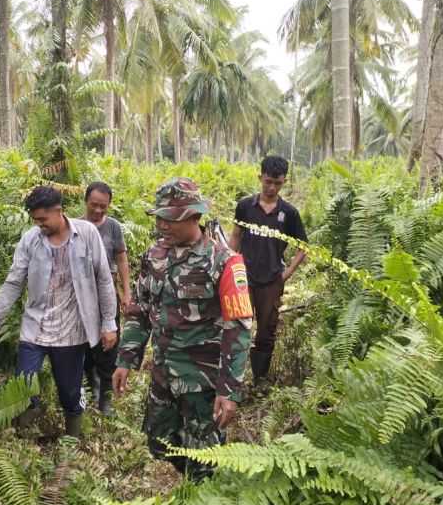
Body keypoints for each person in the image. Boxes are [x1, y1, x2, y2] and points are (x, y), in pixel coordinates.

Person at [112, 178, 253, 480]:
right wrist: (126, 358)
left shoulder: (224, 261)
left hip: (201, 382)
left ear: (194, 216)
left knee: (206, 458)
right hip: (163, 374)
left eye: (171, 218)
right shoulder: (154, 256)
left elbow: (238, 329)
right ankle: (189, 481)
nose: (163, 225)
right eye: (159, 216)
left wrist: (229, 391)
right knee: (159, 442)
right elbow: (139, 309)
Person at [0, 185, 117, 437]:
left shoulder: (87, 234)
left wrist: (109, 324)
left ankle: (71, 442)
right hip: (35, 329)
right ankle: (25, 442)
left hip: (71, 332)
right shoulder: (30, 240)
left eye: (42, 219)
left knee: (70, 392)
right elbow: (13, 282)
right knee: (24, 386)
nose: (39, 224)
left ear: (59, 211)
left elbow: (104, 280)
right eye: (35, 220)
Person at [229, 155, 307, 385]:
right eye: (268, 181)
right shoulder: (245, 206)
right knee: (238, 329)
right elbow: (235, 235)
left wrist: (287, 273)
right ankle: (234, 379)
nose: (272, 187)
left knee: (266, 332)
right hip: (243, 279)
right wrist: (229, 265)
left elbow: (303, 247)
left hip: (272, 281)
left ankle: (258, 381)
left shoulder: (289, 213)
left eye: (278, 183)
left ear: (284, 182)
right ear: (260, 177)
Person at [80, 182, 132, 416]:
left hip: (107, 291)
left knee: (109, 342)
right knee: (84, 343)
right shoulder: (75, 226)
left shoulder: (113, 227)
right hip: (81, 293)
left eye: (104, 206)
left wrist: (126, 291)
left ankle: (106, 400)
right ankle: (94, 387)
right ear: (85, 202)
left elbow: (121, 259)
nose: (98, 211)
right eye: (94, 205)